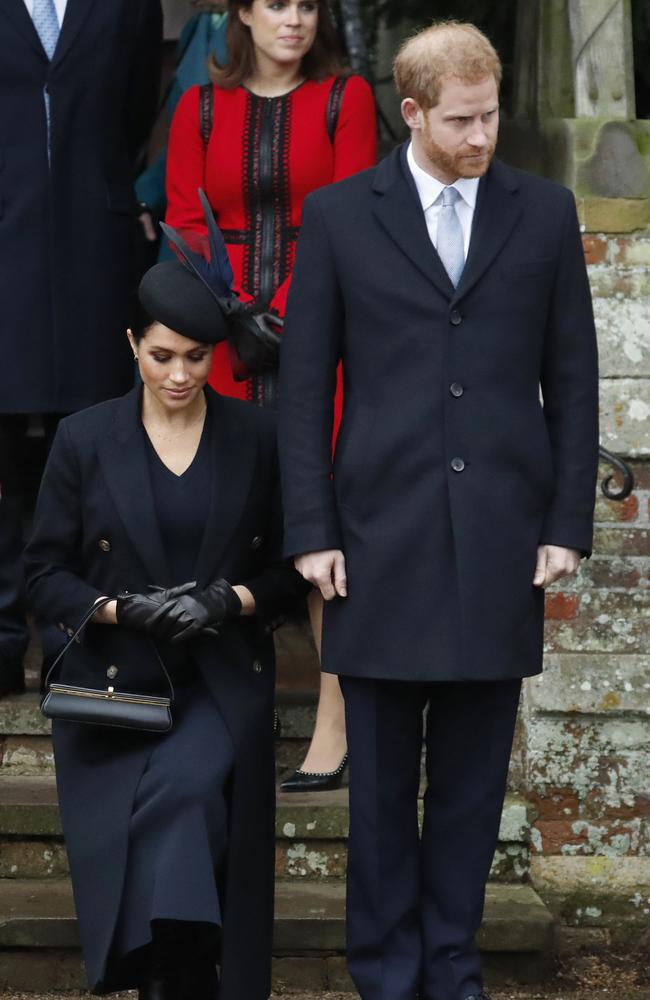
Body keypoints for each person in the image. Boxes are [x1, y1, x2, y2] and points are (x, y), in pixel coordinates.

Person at [278, 20, 599, 1000]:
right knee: (377, 794)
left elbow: (572, 380)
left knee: (466, 791)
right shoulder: (337, 217)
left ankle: (450, 972)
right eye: (459, 120)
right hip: (375, 540)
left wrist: (564, 521)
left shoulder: (542, 213)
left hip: (500, 539)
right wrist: (309, 532)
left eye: (490, 114)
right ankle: (383, 974)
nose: (479, 137)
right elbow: (302, 388)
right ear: (409, 112)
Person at [24, 240, 307, 998]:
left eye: (196, 357)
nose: (179, 375)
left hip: (218, 683)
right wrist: (119, 609)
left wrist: (228, 599)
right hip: (114, 692)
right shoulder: (85, 439)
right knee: (172, 817)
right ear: (131, 346)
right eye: (161, 356)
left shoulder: (256, 436)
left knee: (182, 795)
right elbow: (43, 573)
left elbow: (290, 569)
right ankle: (180, 977)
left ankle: (164, 980)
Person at [165, 0, 377, 789]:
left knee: (319, 529)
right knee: (222, 523)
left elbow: (352, 215)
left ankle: (335, 723)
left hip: (323, 340)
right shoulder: (201, 107)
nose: (295, 21)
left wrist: (280, 315)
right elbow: (187, 221)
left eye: (308, 6)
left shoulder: (344, 99)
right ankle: (212, 719)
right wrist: (231, 317)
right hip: (222, 346)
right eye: (277, 4)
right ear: (242, 14)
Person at [0, 0, 162, 696]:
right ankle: (3, 642)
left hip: (95, 250)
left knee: (91, 447)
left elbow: (132, 111)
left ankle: (78, 637)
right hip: (5, 243)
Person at [136, 0, 230, 255]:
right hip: (186, 207)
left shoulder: (265, 30)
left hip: (230, 216)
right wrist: (146, 195)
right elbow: (185, 140)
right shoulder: (198, 25)